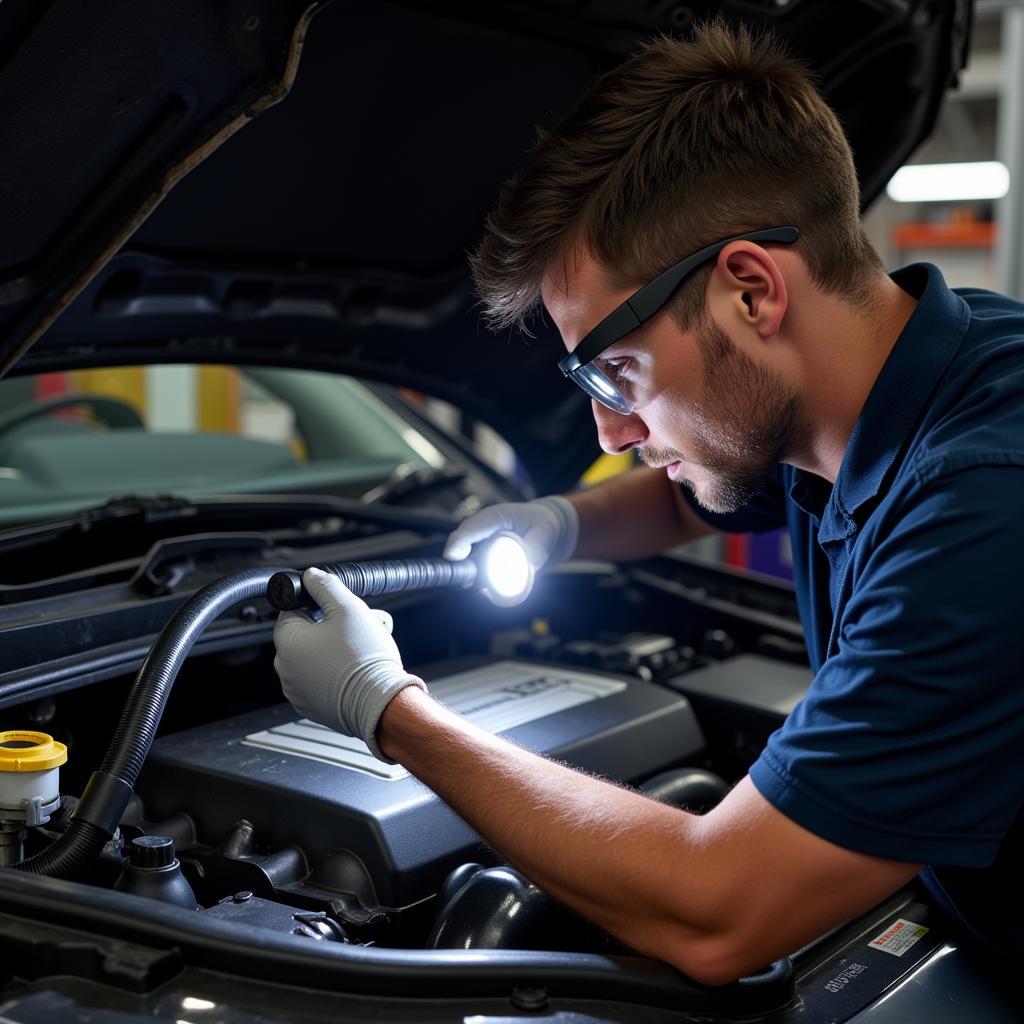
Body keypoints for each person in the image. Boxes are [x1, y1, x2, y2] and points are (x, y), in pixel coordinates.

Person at [273, 21, 1024, 983]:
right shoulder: (878, 387)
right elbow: (693, 502)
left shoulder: (986, 499)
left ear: (750, 289)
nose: (611, 432)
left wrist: (388, 711)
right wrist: (560, 526)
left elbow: (719, 913)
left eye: (619, 373)